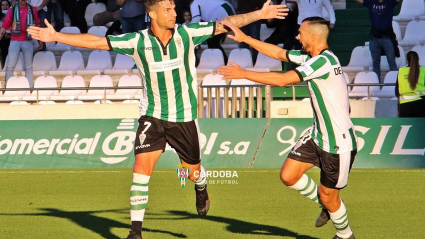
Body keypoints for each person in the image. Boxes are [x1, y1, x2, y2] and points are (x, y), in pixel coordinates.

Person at [28, 1, 287, 238]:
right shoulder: (136, 40)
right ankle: (135, 232)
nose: (174, 13)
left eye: (174, 9)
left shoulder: (187, 34)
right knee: (141, 170)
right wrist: (56, 36)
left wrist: (261, 14)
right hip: (152, 115)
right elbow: (97, 43)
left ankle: (201, 184)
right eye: (168, 9)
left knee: (193, 171)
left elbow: (226, 24)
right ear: (152, 14)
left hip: (183, 118)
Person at [217, 17, 357, 239]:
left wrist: (244, 74)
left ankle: (346, 235)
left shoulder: (322, 62)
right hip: (318, 135)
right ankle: (327, 206)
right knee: (288, 175)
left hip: (338, 143)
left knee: (330, 197)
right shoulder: (312, 58)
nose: (297, 36)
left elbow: (283, 80)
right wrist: (245, 38)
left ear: (313, 36)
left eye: (300, 32)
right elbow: (279, 54)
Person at [354, 0, 402, 83]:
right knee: (375, 62)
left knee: (391, 61)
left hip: (387, 37)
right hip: (374, 37)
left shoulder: (389, 2)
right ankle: (377, 84)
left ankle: (396, 83)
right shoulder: (371, 2)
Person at [0, 0, 42, 88]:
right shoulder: (12, 10)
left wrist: (40, 40)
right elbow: (4, 26)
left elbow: (38, 25)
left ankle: (30, 88)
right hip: (15, 40)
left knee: (29, 67)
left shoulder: (32, 9)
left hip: (28, 40)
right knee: (10, 66)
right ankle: (8, 87)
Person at [395, 51, 425, 117]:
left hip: (404, 108)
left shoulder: (401, 72)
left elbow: (397, 92)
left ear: (407, 61)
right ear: (418, 59)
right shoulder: (423, 71)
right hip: (421, 106)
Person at [0, 0, 11, 68]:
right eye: (3, 5)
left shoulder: (14, 17)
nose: (5, 6)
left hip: (12, 39)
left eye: (7, 4)